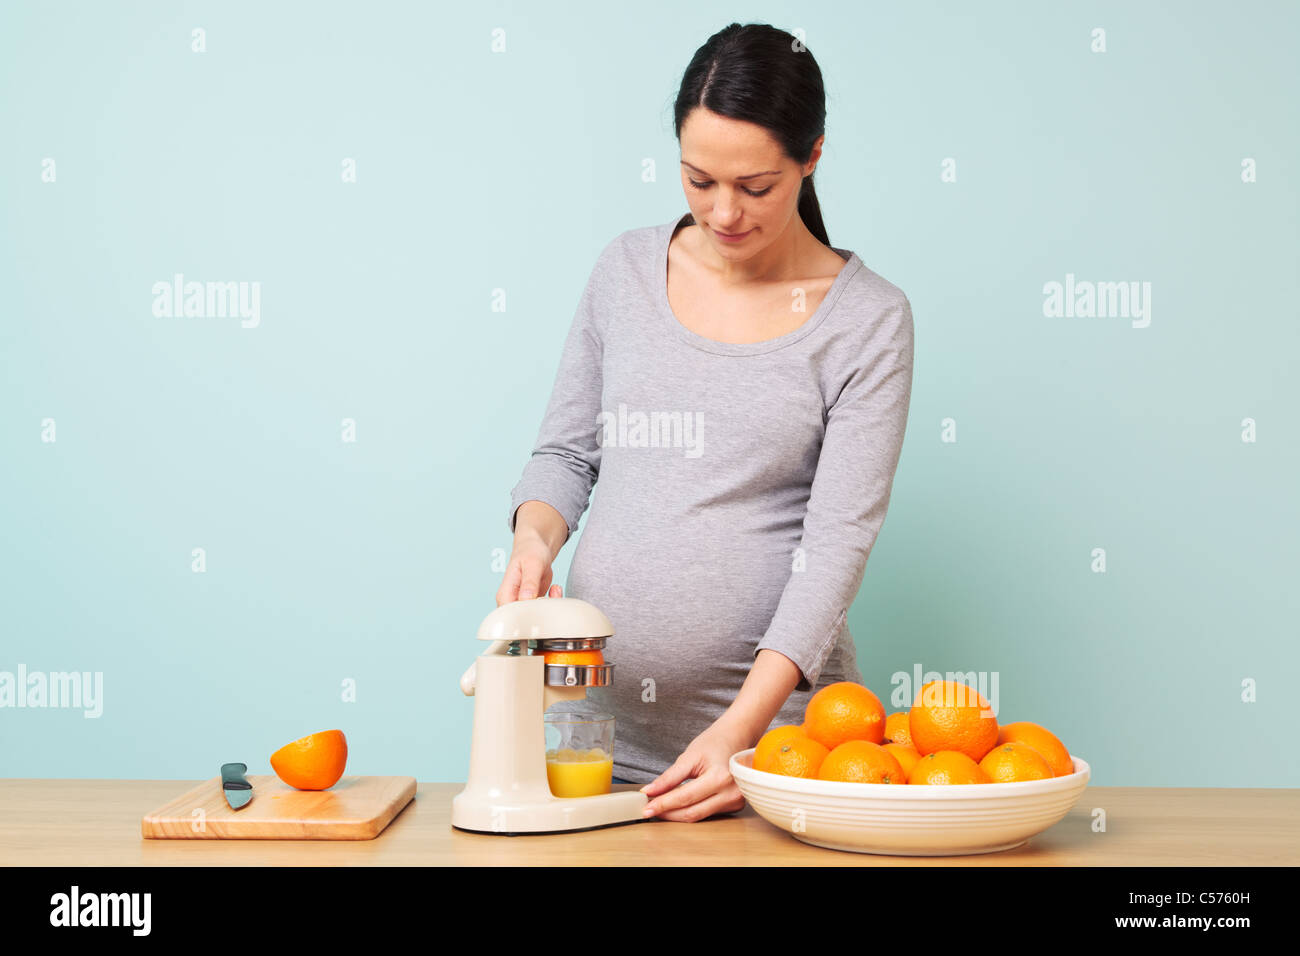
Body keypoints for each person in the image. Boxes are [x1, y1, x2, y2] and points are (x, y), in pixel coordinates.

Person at [497, 22, 914, 822]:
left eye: (755, 187)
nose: (724, 213)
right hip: (592, 743)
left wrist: (741, 734)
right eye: (698, 180)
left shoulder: (868, 320)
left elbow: (835, 548)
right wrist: (532, 541)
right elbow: (565, 454)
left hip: (773, 757)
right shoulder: (624, 269)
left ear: (812, 156)